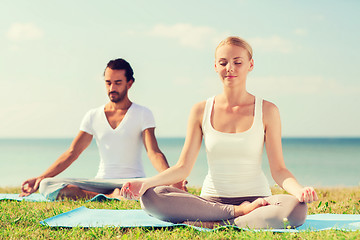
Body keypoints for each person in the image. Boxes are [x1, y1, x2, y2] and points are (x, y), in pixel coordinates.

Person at [117, 37, 318, 229]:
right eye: (223, 63)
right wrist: (145, 183)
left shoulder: (268, 110)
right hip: (211, 203)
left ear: (251, 65)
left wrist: (299, 191)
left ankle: (219, 224)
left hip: (259, 201)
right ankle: (237, 214)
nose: (229, 68)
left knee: (296, 209)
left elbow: (279, 171)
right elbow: (182, 167)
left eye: (237, 62)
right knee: (152, 196)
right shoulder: (200, 110)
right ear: (215, 67)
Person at [20, 58, 186, 201]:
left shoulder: (143, 113)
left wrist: (172, 178)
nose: (111, 88)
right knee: (47, 185)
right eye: (108, 82)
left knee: (157, 191)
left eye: (118, 82)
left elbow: (153, 152)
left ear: (130, 83)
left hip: (134, 181)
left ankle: (120, 194)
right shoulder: (93, 115)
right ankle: (110, 197)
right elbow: (72, 153)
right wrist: (41, 177)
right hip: (100, 182)